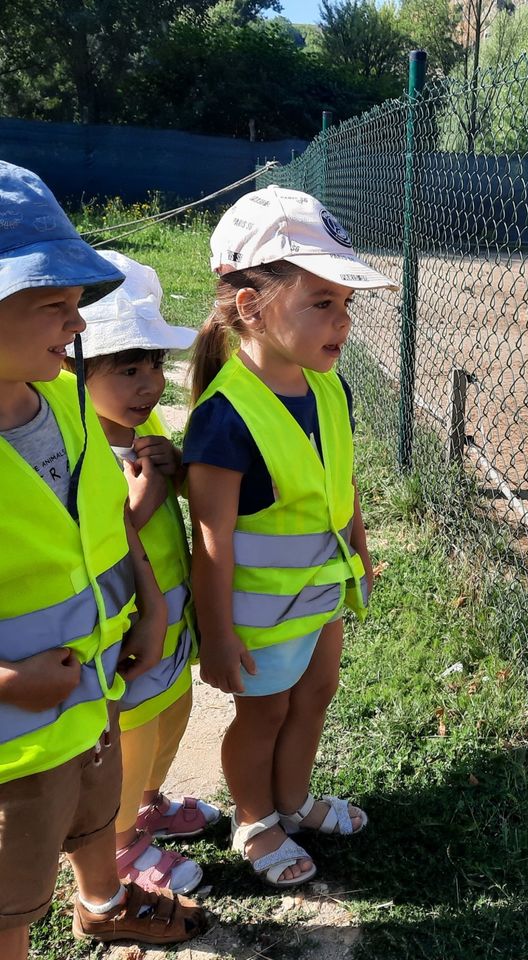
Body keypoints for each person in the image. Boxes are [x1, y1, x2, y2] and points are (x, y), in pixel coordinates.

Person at [0, 163, 207, 959]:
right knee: (10, 893)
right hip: (15, 734)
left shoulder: (59, 400)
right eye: (53, 304)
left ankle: (102, 900)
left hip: (92, 689)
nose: (76, 323)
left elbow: (105, 528)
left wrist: (150, 604)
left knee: (95, 813)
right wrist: (10, 684)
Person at [184, 185, 395, 887]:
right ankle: (255, 817)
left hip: (320, 595)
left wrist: (359, 550)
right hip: (258, 614)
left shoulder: (328, 385)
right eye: (322, 303)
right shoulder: (224, 419)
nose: (342, 323)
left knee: (316, 693)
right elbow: (210, 541)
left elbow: (342, 480)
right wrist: (216, 635)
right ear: (250, 307)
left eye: (347, 305)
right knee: (265, 711)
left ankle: (294, 799)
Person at [63, 250, 220, 895]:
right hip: (129, 626)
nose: (148, 384)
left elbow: (167, 490)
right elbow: (99, 534)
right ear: (75, 367)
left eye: (155, 363)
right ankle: (123, 843)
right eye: (128, 368)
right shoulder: (75, 441)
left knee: (174, 712)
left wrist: (176, 468)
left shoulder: (141, 421)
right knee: (132, 733)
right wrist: (143, 504)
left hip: (172, 610)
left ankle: (148, 804)